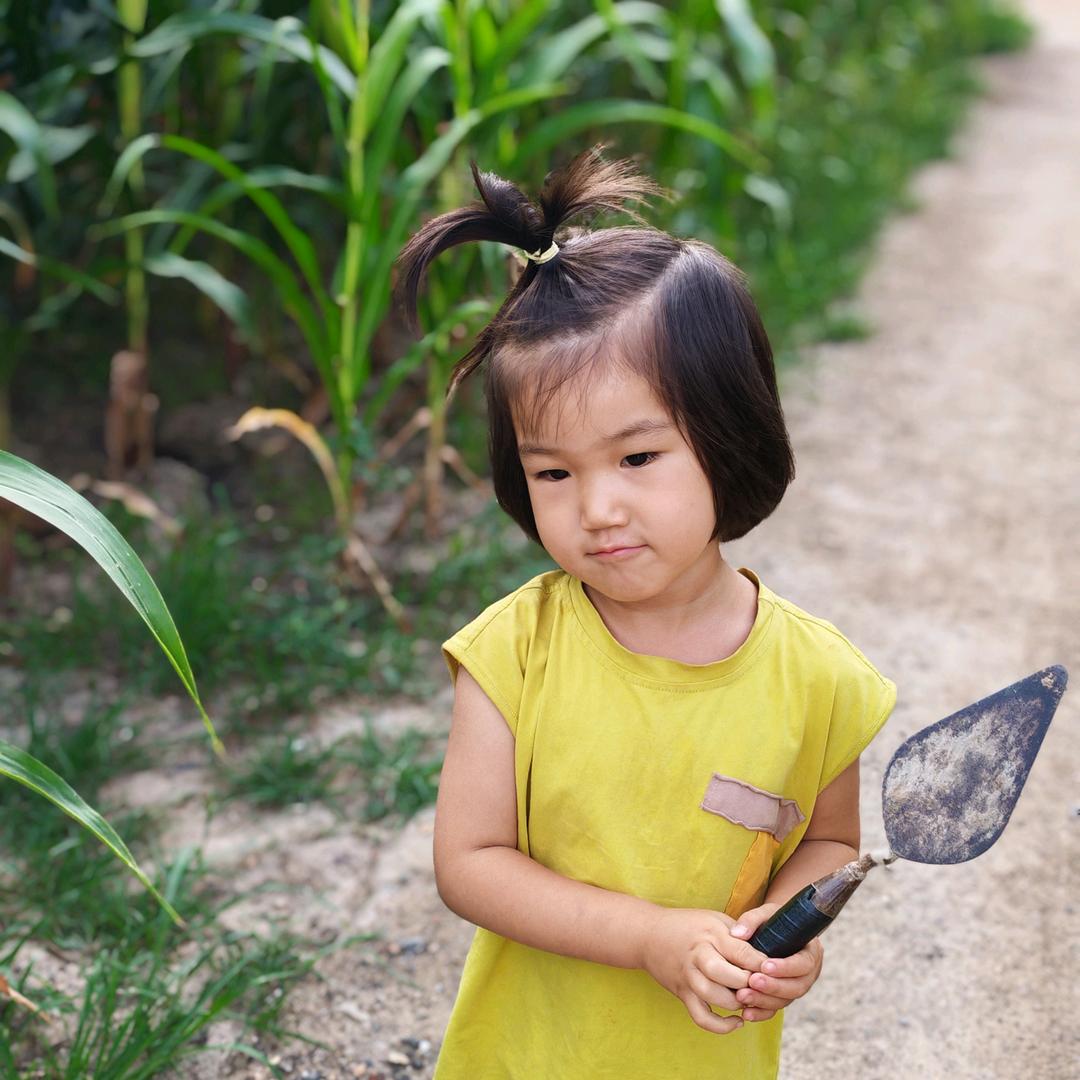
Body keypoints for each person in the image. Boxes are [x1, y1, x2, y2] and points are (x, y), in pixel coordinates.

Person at [392, 145, 897, 1079]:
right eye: (553, 471)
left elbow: (828, 837)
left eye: (636, 459)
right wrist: (651, 938)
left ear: (728, 433)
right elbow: (469, 862)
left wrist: (792, 933)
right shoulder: (516, 652)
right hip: (525, 1058)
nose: (597, 508)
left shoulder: (819, 677)